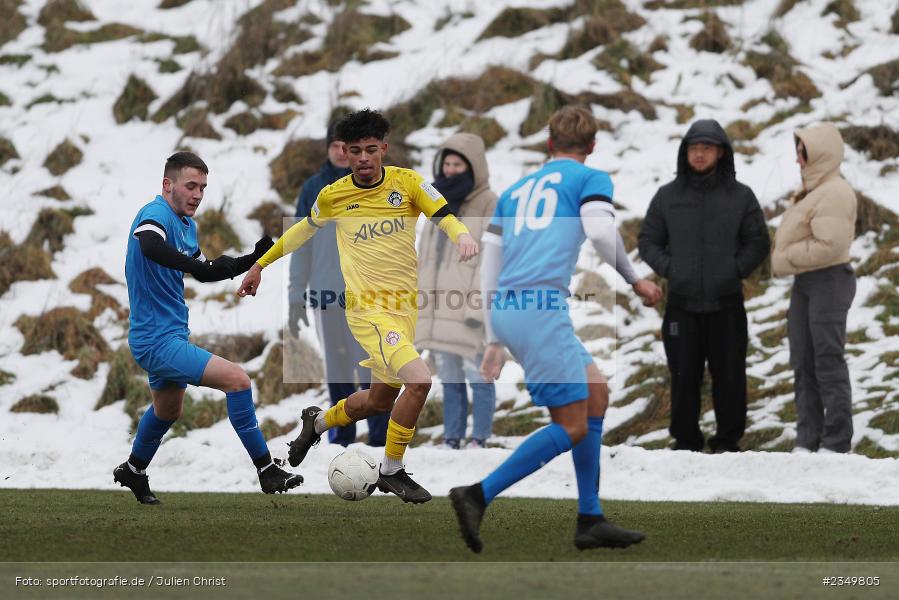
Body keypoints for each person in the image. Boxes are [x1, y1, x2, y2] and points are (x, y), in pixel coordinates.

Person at [449, 106, 661, 553]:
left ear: (548, 144)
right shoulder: (590, 179)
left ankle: (590, 517)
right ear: (592, 146)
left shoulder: (514, 191)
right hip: (540, 310)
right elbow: (601, 234)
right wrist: (636, 279)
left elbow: (491, 263)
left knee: (595, 392)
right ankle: (477, 494)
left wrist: (494, 334)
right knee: (572, 424)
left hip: (512, 308)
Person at [238, 109, 478, 503]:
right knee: (420, 381)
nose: (364, 158)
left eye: (370, 149)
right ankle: (393, 470)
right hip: (367, 311)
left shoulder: (408, 183)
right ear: (344, 154)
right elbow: (300, 231)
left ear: (383, 148)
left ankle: (317, 423)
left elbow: (443, 215)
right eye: (355, 151)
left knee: (380, 399)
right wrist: (259, 265)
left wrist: (462, 235)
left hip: (403, 310)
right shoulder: (333, 195)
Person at [113, 151, 303, 505]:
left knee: (168, 410)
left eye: (202, 187)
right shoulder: (156, 214)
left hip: (169, 335)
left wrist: (253, 259)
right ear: (167, 185)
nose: (198, 194)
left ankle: (133, 470)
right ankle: (266, 469)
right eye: (190, 186)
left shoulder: (187, 226)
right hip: (155, 341)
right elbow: (150, 244)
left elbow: (208, 269)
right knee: (238, 380)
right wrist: (195, 267)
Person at [638, 119, 770, 453]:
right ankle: (686, 443)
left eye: (706, 148)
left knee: (730, 378)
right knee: (683, 378)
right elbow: (648, 241)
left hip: (726, 303)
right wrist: (672, 269)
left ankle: (727, 442)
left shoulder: (741, 196)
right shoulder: (667, 197)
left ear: (721, 152)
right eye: (694, 148)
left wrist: (733, 270)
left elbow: (758, 242)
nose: (699, 154)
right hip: (682, 305)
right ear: (685, 153)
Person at [288, 119, 389, 448]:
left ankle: (378, 440)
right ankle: (340, 438)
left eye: (347, 147)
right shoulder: (312, 190)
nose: (342, 153)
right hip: (327, 296)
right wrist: (295, 296)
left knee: (373, 369)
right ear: (330, 149)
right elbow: (299, 245)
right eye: (335, 146)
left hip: (368, 298)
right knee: (338, 372)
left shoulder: (375, 185)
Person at [772, 123, 857, 454]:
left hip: (829, 280)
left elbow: (829, 245)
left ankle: (836, 443)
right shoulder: (813, 190)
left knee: (826, 360)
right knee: (803, 360)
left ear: (820, 152)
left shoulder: (835, 191)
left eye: (802, 151)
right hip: (806, 282)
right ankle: (807, 440)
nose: (797, 160)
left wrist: (784, 258)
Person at [416, 133, 497, 450]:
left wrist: (477, 309)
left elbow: (490, 259)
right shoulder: (434, 201)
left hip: (467, 306)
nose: (450, 170)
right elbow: (424, 258)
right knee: (448, 375)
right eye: (446, 163)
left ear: (473, 166)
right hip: (437, 307)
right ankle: (452, 436)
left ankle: (480, 437)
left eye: (458, 164)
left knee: (478, 373)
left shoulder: (488, 202)